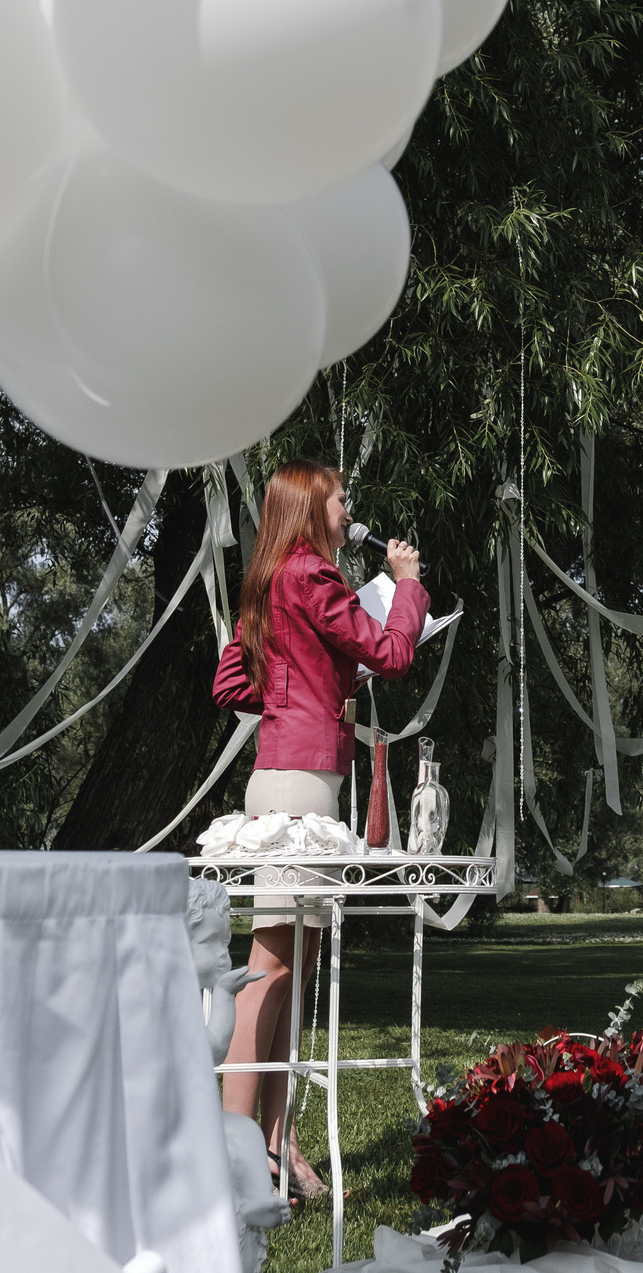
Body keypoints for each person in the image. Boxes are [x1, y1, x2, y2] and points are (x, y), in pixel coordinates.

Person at [210, 460, 426, 1197]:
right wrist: (406, 585)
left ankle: (275, 1145)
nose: (349, 507)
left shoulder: (272, 579)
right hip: (300, 787)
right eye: (340, 497)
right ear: (310, 506)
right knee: (269, 971)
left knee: (292, 969)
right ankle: (235, 1157)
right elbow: (394, 654)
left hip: (291, 773)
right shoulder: (315, 577)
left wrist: (313, 679)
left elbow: (231, 682)